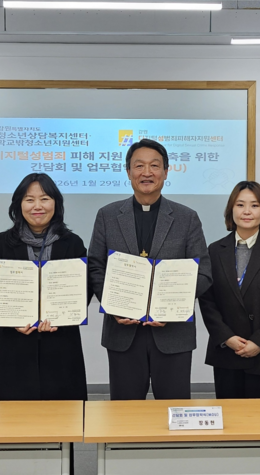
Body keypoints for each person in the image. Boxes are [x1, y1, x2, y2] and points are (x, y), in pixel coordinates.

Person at [88, 138, 213, 400]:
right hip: (123, 332)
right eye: (139, 166)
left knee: (174, 409)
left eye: (154, 166)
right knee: (124, 411)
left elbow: (203, 272)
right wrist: (112, 305)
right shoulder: (107, 215)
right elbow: (96, 267)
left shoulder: (186, 217)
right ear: (128, 172)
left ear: (166, 171)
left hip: (173, 333)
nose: (147, 172)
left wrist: (172, 305)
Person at [0, 173, 88, 401]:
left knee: (65, 412)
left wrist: (64, 313)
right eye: (29, 199)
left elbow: (84, 288)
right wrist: (11, 320)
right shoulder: (2, 243)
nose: (37, 206)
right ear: (18, 204)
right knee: (17, 413)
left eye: (44, 199)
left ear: (56, 203)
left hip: (62, 344)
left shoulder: (73, 243)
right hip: (16, 344)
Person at [199, 181, 260, 399]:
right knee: (230, 417)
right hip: (227, 352)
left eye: (254, 205)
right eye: (240, 204)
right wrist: (226, 337)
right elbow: (207, 301)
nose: (246, 211)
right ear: (231, 210)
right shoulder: (214, 250)